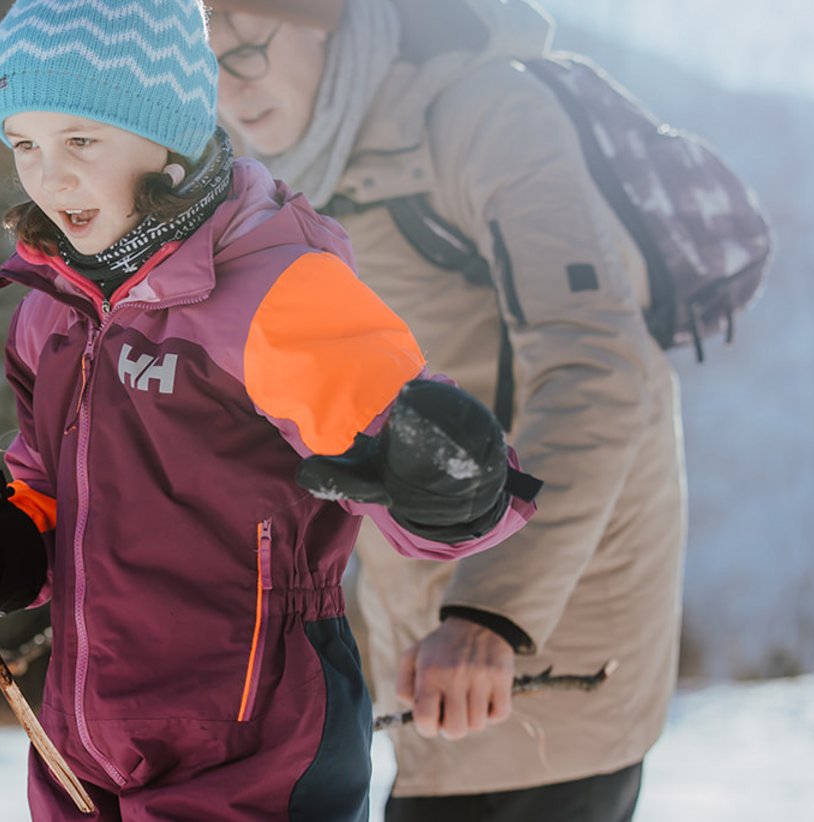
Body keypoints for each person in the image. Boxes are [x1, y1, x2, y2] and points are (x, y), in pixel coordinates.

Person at [0, 1, 540, 818]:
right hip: (79, 753)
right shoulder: (51, 310)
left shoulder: (274, 292)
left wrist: (458, 481)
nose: (49, 177)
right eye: (25, 144)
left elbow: (417, 475)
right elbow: (47, 486)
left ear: (168, 132)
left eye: (81, 141)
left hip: (252, 753)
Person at [208, 0, 685, 819]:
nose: (232, 86)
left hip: (545, 633)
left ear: (329, 23)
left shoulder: (484, 116)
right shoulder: (290, 177)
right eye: (206, 61)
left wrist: (490, 614)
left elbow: (601, 367)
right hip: (426, 639)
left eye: (249, 47)